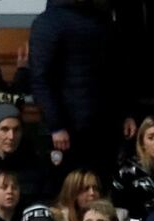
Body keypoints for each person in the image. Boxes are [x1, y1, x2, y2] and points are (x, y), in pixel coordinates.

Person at [29, 0, 136, 186]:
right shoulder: (99, 20)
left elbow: (118, 73)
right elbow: (41, 80)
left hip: (97, 127)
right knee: (74, 188)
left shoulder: (99, 20)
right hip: (76, 129)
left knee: (93, 187)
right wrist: (56, 126)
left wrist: (126, 113)